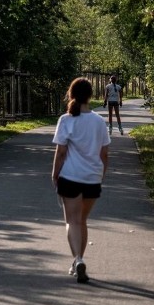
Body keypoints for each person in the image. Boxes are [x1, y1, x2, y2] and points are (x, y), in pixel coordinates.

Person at [51, 77, 110, 283]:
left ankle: (77, 259)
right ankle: (79, 261)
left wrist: (55, 174)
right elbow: (104, 155)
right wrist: (101, 176)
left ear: (72, 94)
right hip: (92, 178)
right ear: (91, 96)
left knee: (72, 221)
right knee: (82, 221)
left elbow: (60, 153)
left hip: (70, 176)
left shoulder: (66, 120)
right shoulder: (99, 122)